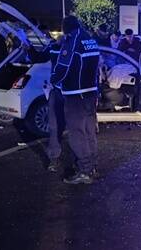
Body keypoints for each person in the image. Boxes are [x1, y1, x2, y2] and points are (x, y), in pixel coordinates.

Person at [50, 16, 100, 185]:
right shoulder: (90, 40)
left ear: (65, 28)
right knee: (89, 132)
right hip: (90, 94)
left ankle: (85, 171)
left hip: (75, 95)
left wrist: (53, 80)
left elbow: (63, 67)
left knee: (77, 134)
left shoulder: (73, 41)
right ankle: (92, 167)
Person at [25, 36, 65, 172]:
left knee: (78, 130)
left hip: (73, 93)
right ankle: (54, 159)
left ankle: (85, 165)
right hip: (57, 91)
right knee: (54, 127)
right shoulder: (54, 47)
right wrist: (29, 48)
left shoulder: (77, 47)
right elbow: (39, 58)